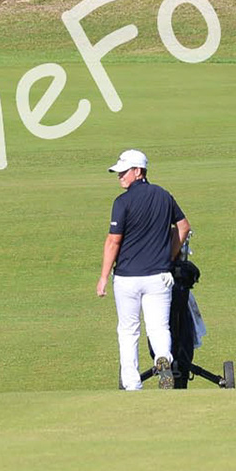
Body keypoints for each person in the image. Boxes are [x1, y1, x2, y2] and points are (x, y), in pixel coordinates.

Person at [94, 149, 189, 390]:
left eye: (124, 172)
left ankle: (132, 384)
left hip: (127, 277)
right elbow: (184, 227)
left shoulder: (122, 202)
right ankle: (162, 358)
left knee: (128, 331)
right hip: (160, 276)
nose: (119, 177)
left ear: (138, 171)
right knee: (159, 326)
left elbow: (113, 241)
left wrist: (103, 277)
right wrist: (169, 256)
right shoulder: (164, 196)